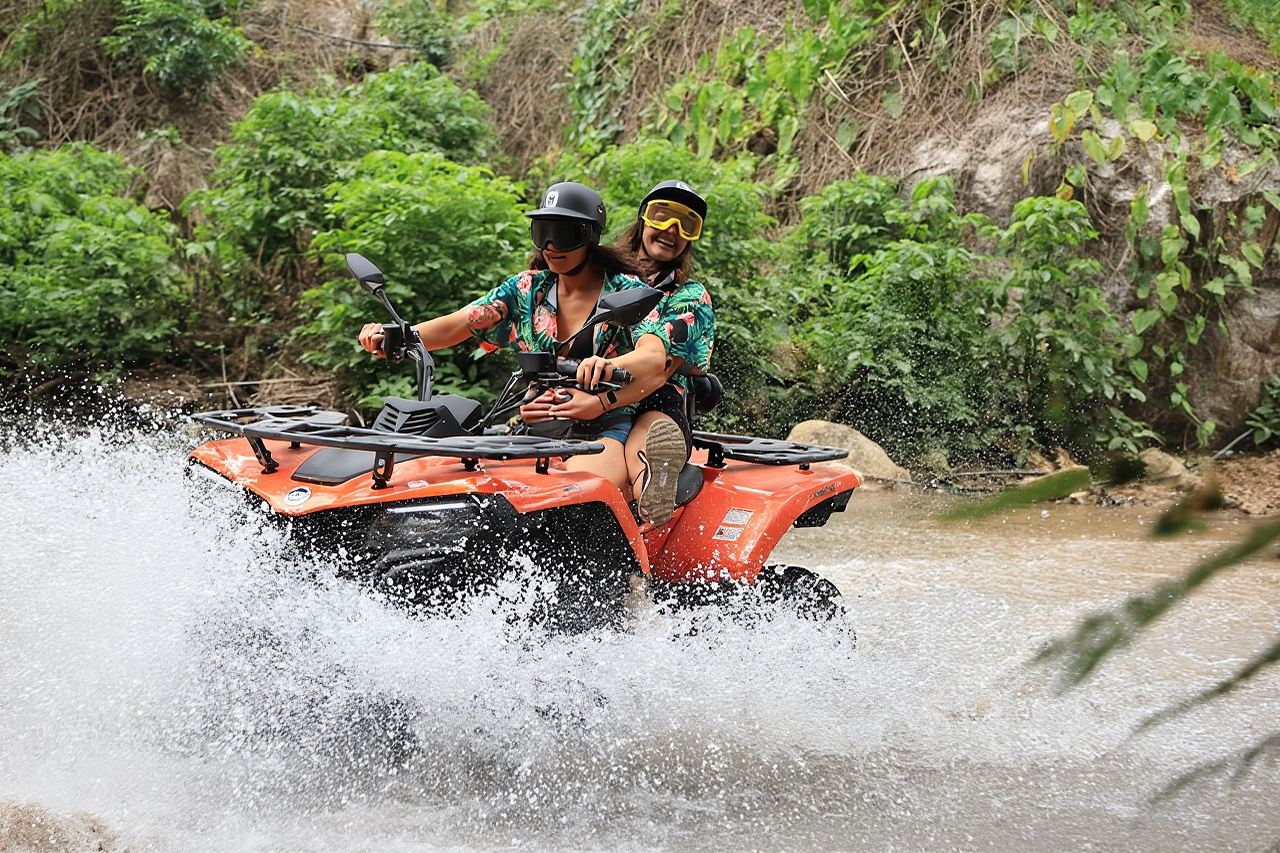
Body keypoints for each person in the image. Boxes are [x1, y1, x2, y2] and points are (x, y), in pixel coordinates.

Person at [356, 181, 672, 490]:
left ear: (589, 236)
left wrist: (605, 367)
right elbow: (461, 322)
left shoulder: (627, 290)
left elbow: (653, 356)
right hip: (532, 426)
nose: (549, 246)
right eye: (542, 234)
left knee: (576, 499)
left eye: (561, 235)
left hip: (602, 427)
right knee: (472, 500)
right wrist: (397, 335)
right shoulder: (526, 289)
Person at [575, 180, 716, 525]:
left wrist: (604, 376)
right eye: (662, 215)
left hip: (654, 398)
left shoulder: (690, 297)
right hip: (582, 390)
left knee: (651, 434)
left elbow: (660, 369)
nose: (672, 230)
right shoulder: (600, 277)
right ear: (643, 219)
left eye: (686, 224)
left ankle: (650, 487)